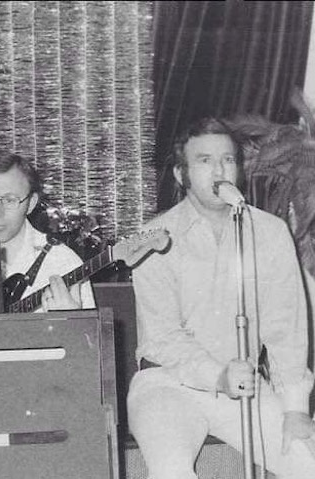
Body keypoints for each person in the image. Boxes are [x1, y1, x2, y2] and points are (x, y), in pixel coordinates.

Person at [127, 117, 315, 478]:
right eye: (204, 161)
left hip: (245, 386)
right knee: (171, 471)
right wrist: (218, 376)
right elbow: (163, 336)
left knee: (306, 465)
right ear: (182, 176)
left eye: (227, 160)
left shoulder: (269, 232)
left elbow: (285, 326)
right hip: (167, 386)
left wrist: (294, 409)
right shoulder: (152, 236)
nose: (219, 169)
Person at [0, 149, 95, 311]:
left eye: (10, 200)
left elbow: (87, 336)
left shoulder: (64, 262)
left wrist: (70, 324)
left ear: (31, 203)